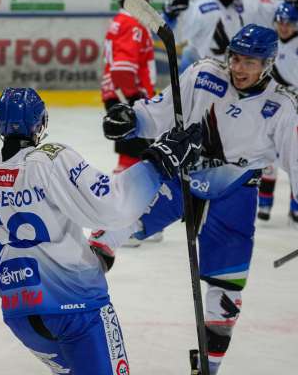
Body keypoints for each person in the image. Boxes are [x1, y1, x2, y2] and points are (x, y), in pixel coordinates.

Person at [0, 87, 202, 374]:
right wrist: (157, 163)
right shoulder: (51, 160)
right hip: (78, 309)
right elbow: (113, 207)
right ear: (41, 123)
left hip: (21, 315)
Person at [93, 24, 298, 374]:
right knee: (116, 225)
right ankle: (70, 292)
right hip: (183, 174)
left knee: (225, 291)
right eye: (235, 58)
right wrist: (132, 119)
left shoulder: (282, 106)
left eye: (250, 62)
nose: (239, 68)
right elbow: (158, 110)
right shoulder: (204, 74)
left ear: (267, 64)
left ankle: (207, 367)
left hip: (236, 193)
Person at [163, 0, 277, 72]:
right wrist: (170, 15)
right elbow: (177, 37)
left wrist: (291, 3)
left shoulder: (248, 4)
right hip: (203, 76)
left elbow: (276, 10)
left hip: (235, 75)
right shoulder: (199, 5)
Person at [102, 0, 156, 174]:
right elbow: (123, 70)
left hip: (118, 94)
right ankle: (125, 197)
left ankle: (122, 195)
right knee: (138, 154)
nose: (148, 3)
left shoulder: (120, 20)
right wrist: (135, 101)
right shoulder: (133, 25)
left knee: (130, 152)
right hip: (127, 95)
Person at [257, 1, 298, 227]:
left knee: (295, 158)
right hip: (272, 107)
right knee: (268, 156)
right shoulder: (269, 43)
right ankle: (264, 204)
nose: (284, 27)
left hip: (295, 108)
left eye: (289, 23)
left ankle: (296, 208)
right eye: (281, 22)